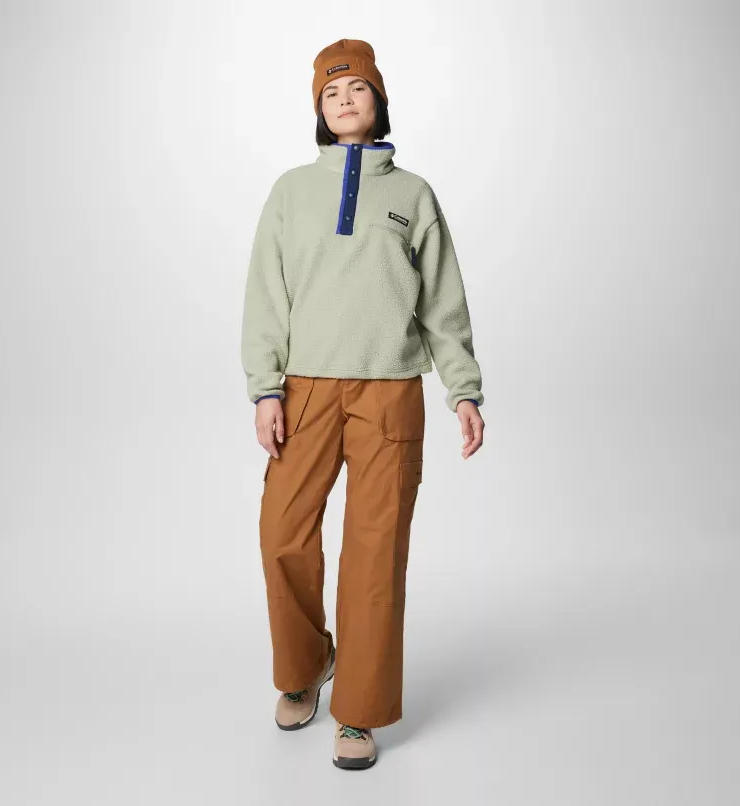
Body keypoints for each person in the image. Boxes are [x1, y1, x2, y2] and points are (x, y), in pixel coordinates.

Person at [240, 38, 485, 770]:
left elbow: (443, 302)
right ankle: (307, 664)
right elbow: (266, 295)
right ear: (319, 109)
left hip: (391, 389)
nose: (345, 100)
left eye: (358, 90)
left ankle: (359, 711)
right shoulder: (291, 191)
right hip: (306, 389)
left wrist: (463, 389)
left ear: (379, 100)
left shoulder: (413, 195)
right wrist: (266, 387)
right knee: (282, 534)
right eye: (331, 93)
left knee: (376, 554)